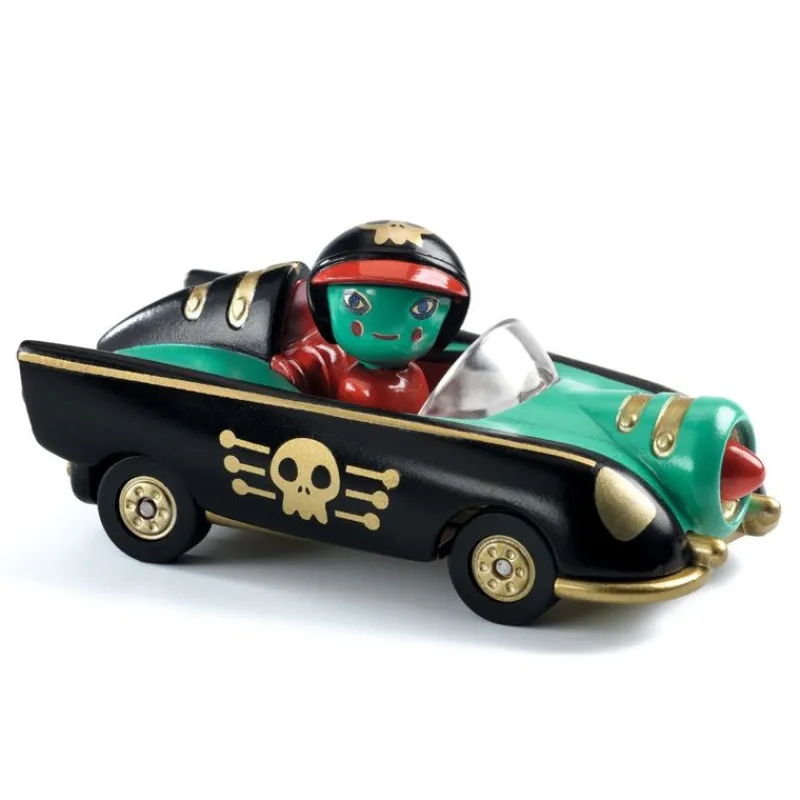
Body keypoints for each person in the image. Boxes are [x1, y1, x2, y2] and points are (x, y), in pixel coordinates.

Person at [271, 221, 470, 414]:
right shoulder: (350, 380)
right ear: (325, 311)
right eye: (355, 302)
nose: (389, 326)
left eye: (424, 308)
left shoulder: (415, 377)